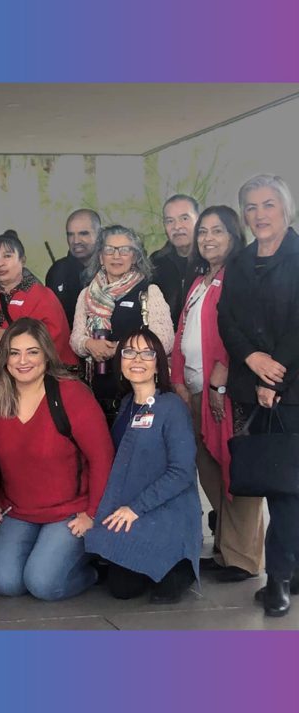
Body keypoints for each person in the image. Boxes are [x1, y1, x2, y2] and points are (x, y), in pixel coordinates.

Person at [0, 318, 114, 601]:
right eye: (14, 352)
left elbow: (102, 458)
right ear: (5, 358)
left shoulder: (72, 395)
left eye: (32, 352)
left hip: (70, 513)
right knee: (5, 583)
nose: (22, 361)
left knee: (42, 584)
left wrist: (92, 514)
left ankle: (92, 571)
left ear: (46, 354)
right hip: (17, 511)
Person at [217, 174, 299, 617]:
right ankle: (292, 568)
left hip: (293, 387)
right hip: (252, 383)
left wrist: (274, 378)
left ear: (285, 209)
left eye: (268, 205)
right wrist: (251, 359)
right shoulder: (241, 262)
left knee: (288, 488)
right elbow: (226, 318)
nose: (259, 214)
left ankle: (279, 578)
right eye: (251, 207)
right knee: (273, 481)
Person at [170, 205, 263, 582]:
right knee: (210, 471)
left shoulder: (241, 275)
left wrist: (218, 382)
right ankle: (225, 551)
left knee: (235, 471)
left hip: (223, 392)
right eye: (203, 231)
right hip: (192, 390)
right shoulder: (200, 278)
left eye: (217, 231)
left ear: (234, 236)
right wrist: (178, 379)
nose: (207, 238)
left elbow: (239, 333)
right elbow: (183, 332)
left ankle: (243, 559)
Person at [86, 327, 201, 603]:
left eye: (146, 353)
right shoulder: (126, 404)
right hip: (131, 506)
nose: (137, 359)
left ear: (158, 364)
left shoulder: (172, 406)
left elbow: (182, 472)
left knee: (153, 586)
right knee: (122, 589)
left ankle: (179, 565)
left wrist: (136, 508)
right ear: (120, 362)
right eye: (129, 352)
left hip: (167, 510)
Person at [70, 225, 175, 420]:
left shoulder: (149, 292)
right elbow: (76, 338)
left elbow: (165, 341)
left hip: (140, 394)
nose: (116, 256)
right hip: (97, 394)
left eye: (124, 250)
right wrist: (89, 344)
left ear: (135, 257)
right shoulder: (86, 294)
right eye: (109, 249)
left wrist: (119, 348)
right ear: (101, 257)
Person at [0, 232, 76, 390]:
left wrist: (8, 337)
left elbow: (55, 336)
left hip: (36, 388)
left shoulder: (42, 295)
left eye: (7, 256)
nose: (0, 263)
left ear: (22, 260)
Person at [46, 208, 101, 328]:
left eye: (83, 233)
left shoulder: (111, 269)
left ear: (99, 234)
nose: (76, 241)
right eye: (70, 234)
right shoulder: (57, 271)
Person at [152, 195, 200, 325]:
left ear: (199, 220)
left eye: (184, 218)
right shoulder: (156, 263)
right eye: (169, 221)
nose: (177, 227)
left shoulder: (211, 262)